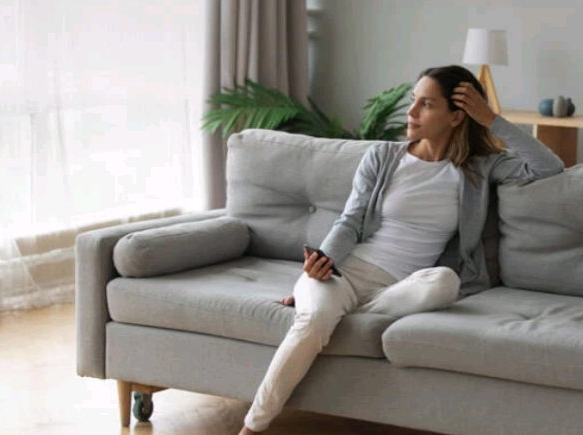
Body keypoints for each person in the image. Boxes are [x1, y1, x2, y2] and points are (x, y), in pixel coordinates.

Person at [239, 65, 564, 434]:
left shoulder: (480, 168)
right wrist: (321, 262)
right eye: (413, 101)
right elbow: (350, 221)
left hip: (400, 290)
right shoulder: (383, 157)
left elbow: (548, 167)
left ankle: (338, 310)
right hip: (344, 274)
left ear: (457, 116)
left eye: (426, 104)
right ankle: (252, 428)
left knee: (445, 282)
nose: (411, 112)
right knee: (312, 323)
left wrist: (490, 119)